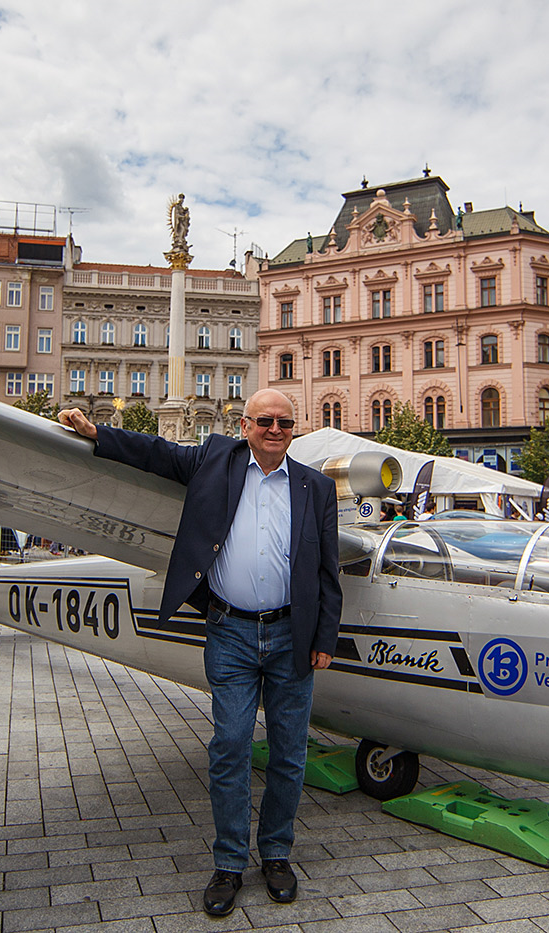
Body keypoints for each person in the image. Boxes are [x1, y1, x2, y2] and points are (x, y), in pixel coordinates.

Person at [58, 390, 341, 917]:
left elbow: (327, 570)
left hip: (291, 636)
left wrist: (324, 639)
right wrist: (100, 435)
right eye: (264, 421)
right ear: (244, 424)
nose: (274, 429)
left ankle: (276, 853)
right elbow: (157, 453)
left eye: (284, 422)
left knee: (289, 751)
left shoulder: (316, 486)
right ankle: (230, 862)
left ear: (294, 428)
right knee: (231, 744)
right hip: (230, 630)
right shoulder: (214, 457)